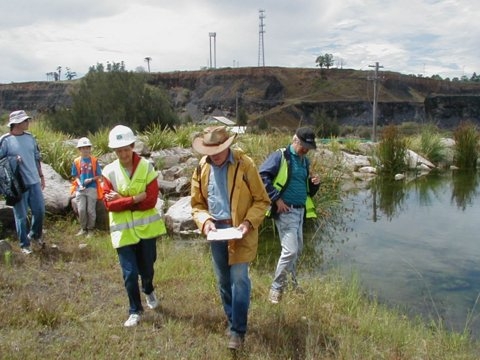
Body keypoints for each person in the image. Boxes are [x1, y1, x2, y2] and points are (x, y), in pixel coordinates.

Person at [190, 126, 270, 351]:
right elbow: (196, 204)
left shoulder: (246, 165)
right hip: (216, 232)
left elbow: (262, 201)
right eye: (210, 149)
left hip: (241, 231)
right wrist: (205, 222)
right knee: (223, 280)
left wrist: (247, 223)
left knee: (239, 279)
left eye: (219, 148)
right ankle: (231, 319)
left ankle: (238, 331)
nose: (214, 153)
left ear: (228, 146)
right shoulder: (201, 168)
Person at [102, 125, 167, 327]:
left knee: (147, 269)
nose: (123, 154)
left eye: (125, 149)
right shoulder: (108, 171)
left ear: (132, 146)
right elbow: (108, 204)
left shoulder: (147, 167)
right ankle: (135, 310)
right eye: (118, 150)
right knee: (129, 273)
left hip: (146, 231)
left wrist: (123, 199)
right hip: (123, 233)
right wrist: (133, 198)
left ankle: (148, 289)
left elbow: (151, 200)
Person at [259, 127, 320, 304]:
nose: (306, 150)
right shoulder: (280, 156)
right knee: (290, 250)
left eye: (309, 147)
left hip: (300, 211)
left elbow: (305, 188)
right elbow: (262, 176)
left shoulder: (304, 162)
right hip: (286, 211)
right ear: (295, 141)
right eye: (304, 146)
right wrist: (276, 199)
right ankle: (276, 289)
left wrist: (314, 184)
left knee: (296, 250)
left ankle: (292, 285)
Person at [0, 110, 45, 255]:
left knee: (39, 211)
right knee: (21, 215)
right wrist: (13, 160)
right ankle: (24, 245)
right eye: (25, 121)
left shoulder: (30, 138)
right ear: (17, 124)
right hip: (18, 185)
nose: (28, 123)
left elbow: (36, 156)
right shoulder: (5, 140)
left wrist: (41, 175)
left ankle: (34, 235)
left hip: (34, 181)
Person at [70, 137, 103, 238]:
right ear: (79, 150)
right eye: (83, 148)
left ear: (90, 149)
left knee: (90, 210)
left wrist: (92, 179)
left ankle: (90, 229)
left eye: (87, 148)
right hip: (80, 188)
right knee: (81, 210)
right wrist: (79, 184)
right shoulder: (76, 161)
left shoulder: (94, 160)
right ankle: (83, 228)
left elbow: (99, 175)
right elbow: (75, 175)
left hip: (92, 187)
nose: (85, 150)